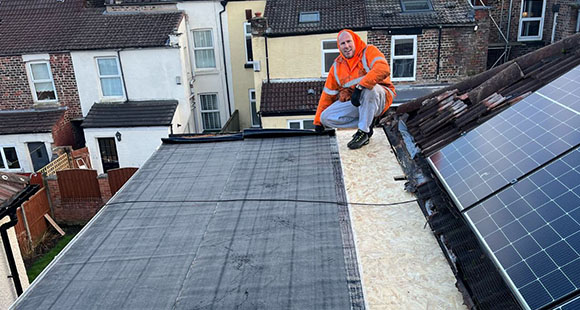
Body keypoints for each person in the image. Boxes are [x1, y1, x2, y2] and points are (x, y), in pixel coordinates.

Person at [314, 29, 396, 149]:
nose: (346, 46)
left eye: (349, 41)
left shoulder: (369, 51)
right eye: (343, 43)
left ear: (355, 41)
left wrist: (360, 86)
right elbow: (327, 94)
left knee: (369, 90)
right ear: (339, 46)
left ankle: (364, 132)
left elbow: (383, 69)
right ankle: (370, 121)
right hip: (359, 102)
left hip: (380, 98)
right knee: (326, 117)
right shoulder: (337, 66)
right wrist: (318, 121)